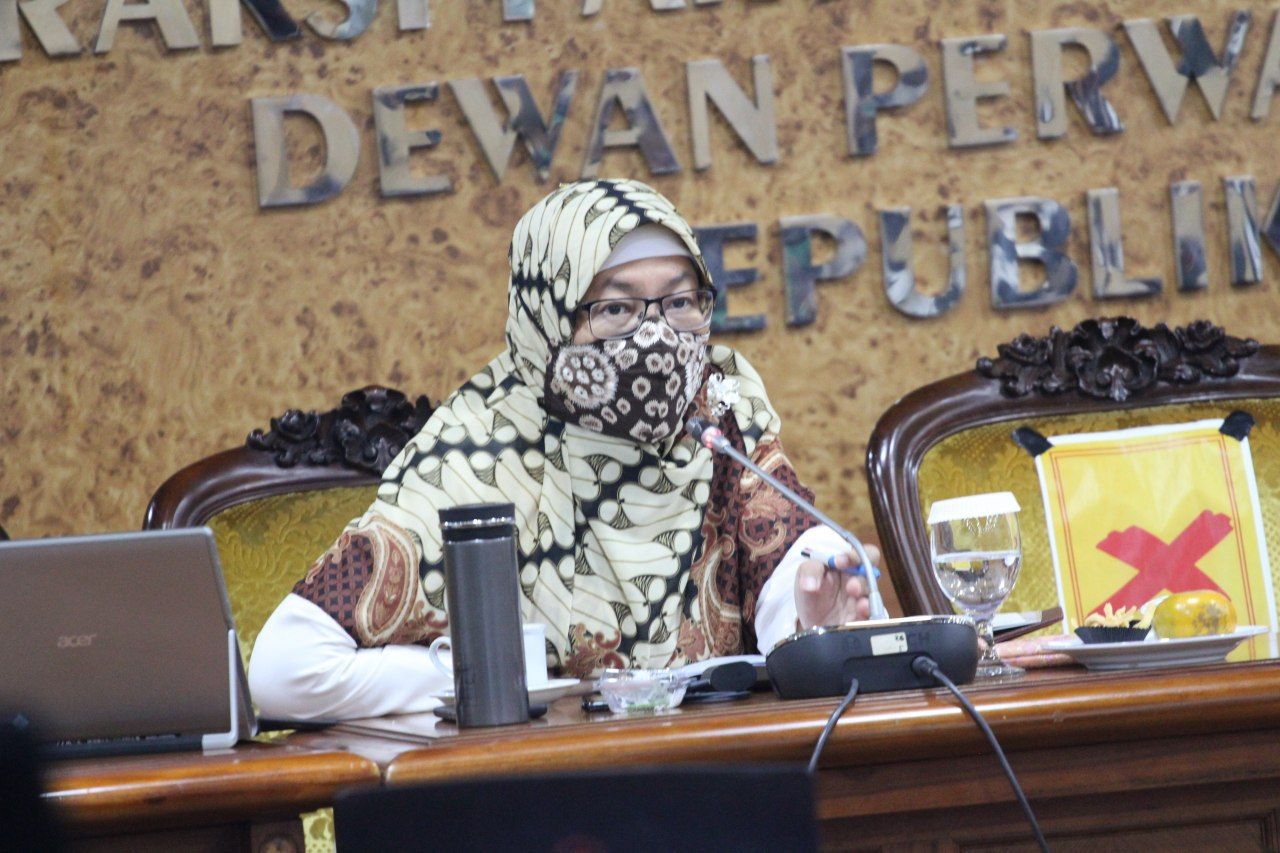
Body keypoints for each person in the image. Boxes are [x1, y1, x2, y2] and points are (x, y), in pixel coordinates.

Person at [249, 178, 877, 719]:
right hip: (534, 791)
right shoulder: (476, 453)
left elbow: (790, 562)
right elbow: (286, 670)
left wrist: (808, 620)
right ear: (546, 320)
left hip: (714, 775)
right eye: (616, 308)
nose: (657, 338)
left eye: (681, 302)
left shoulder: (716, 410)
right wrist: (494, 678)